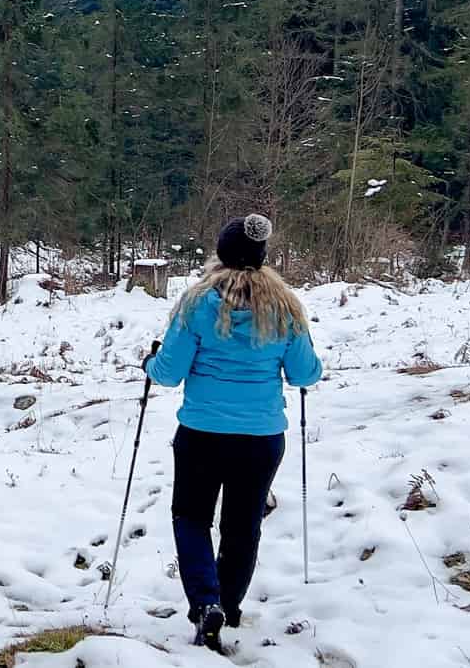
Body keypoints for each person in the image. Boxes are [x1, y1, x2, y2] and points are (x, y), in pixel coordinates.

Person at [144, 213, 321, 652]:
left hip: (202, 432)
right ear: (262, 257)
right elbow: (304, 374)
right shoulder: (284, 307)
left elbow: (168, 373)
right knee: (243, 526)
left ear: (221, 253)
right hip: (261, 438)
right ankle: (231, 604)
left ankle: (207, 604)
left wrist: (149, 363)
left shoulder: (197, 303)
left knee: (191, 517)